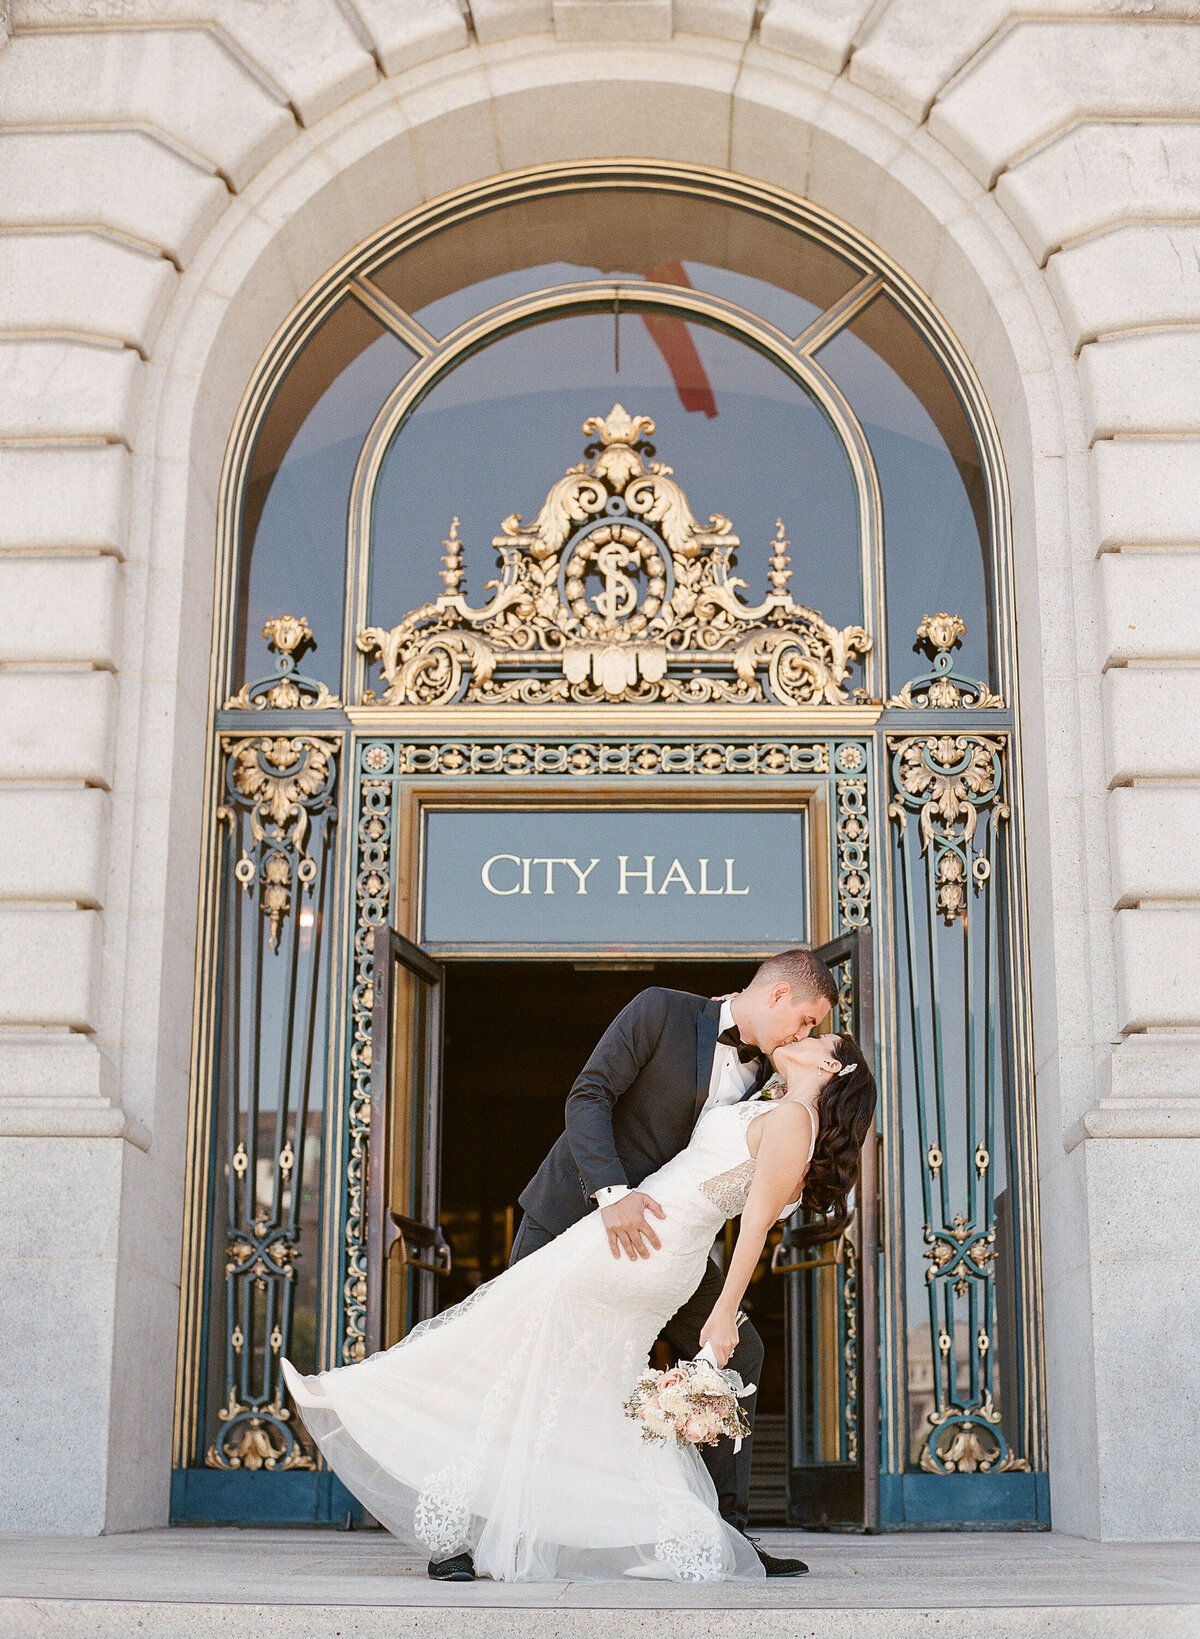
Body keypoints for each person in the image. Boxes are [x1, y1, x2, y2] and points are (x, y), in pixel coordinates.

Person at [282, 954, 877, 1585]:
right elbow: (588, 1094)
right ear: (780, 993)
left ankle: (719, 1533)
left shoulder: (779, 1084)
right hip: (579, 1214)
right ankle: (461, 1533)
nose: (803, 1037)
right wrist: (612, 1193)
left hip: (668, 1249)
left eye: (815, 1034)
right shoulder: (662, 1010)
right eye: (806, 1021)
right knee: (516, 1362)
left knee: (739, 1354)